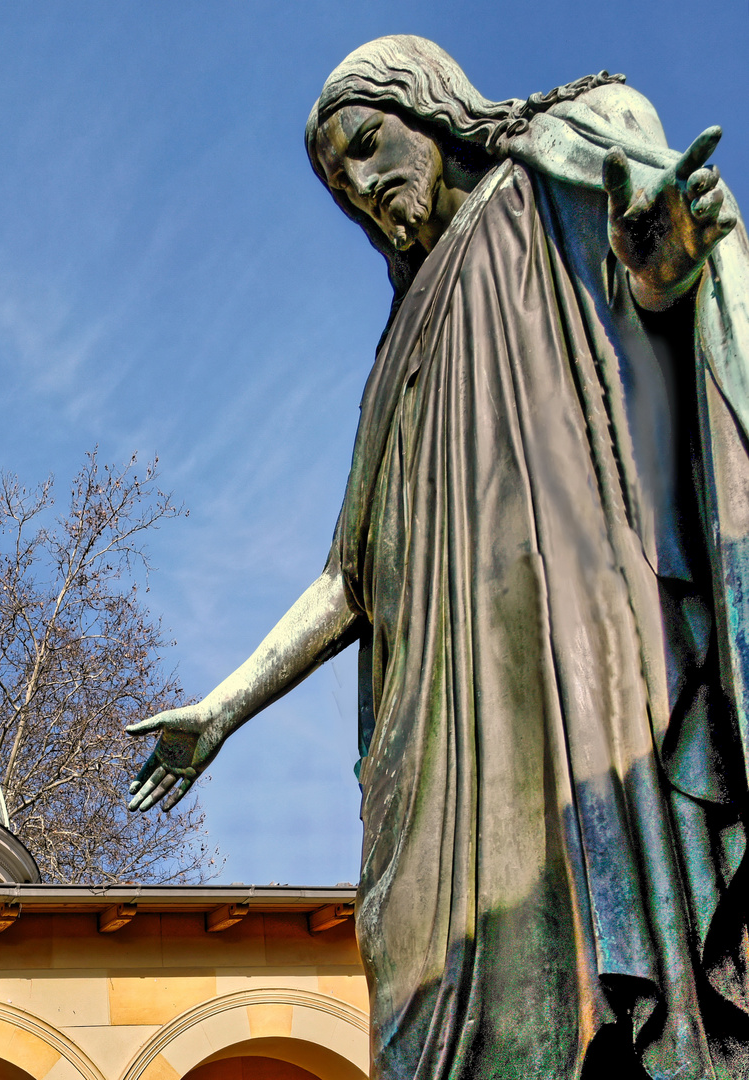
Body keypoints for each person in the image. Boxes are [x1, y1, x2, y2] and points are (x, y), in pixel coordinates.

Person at [126, 36, 749, 1080]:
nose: (363, 186)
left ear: (432, 110)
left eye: (369, 147)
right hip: (436, 732)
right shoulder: (399, 347)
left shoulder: (555, 161)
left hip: (577, 676)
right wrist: (220, 710)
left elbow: (655, 284)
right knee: (418, 979)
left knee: (590, 974)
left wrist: (660, 263)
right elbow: (347, 579)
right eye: (337, 181)